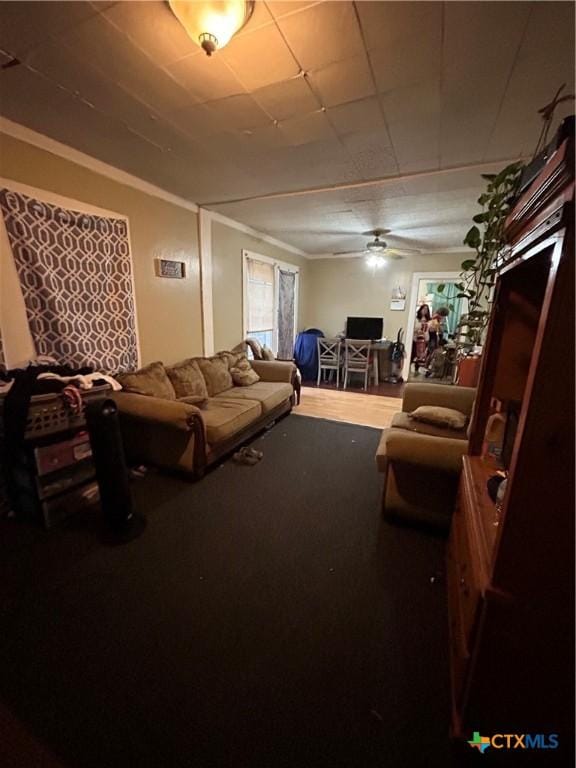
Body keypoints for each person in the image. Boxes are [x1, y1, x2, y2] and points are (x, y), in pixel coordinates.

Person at [412, 304, 431, 371]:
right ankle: (413, 366)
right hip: (416, 339)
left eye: (426, 309)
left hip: (425, 338)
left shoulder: (428, 320)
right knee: (415, 353)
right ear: (420, 309)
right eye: (424, 309)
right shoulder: (416, 319)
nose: (425, 311)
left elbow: (429, 329)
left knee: (422, 354)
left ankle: (418, 368)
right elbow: (414, 328)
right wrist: (418, 329)